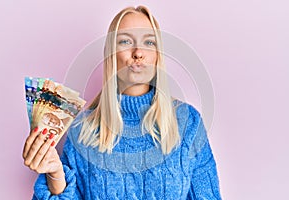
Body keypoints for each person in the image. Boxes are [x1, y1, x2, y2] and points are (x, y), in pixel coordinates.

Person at [23, 5, 222, 199]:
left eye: (149, 42)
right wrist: (55, 174)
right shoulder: (81, 131)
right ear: (111, 54)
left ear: (157, 55)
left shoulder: (188, 122)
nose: (138, 52)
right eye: (126, 41)